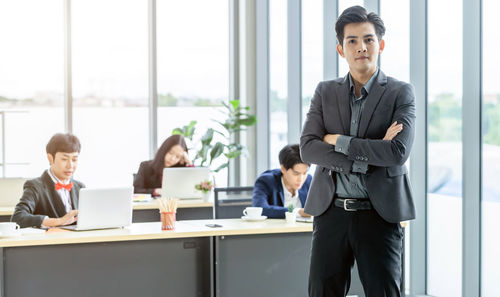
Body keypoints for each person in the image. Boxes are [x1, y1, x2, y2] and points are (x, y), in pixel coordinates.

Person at [300, 6, 415, 296]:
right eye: (352, 40)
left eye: (368, 39)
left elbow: (397, 152)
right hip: (331, 214)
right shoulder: (325, 92)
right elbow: (309, 149)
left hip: (379, 215)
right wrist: (364, 159)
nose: (361, 47)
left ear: (381, 44)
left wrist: (338, 140)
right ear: (341, 49)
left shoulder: (400, 92)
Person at [11, 133, 84, 228]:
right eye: (64, 159)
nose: (70, 166)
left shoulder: (80, 187)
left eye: (74, 160)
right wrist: (59, 221)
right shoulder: (35, 186)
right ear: (50, 158)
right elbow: (18, 218)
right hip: (51, 241)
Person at [252, 144, 312, 218]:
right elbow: (259, 209)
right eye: (296, 174)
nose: (301, 179)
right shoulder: (266, 181)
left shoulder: (309, 180)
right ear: (283, 169)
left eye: (305, 173)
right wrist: (298, 212)